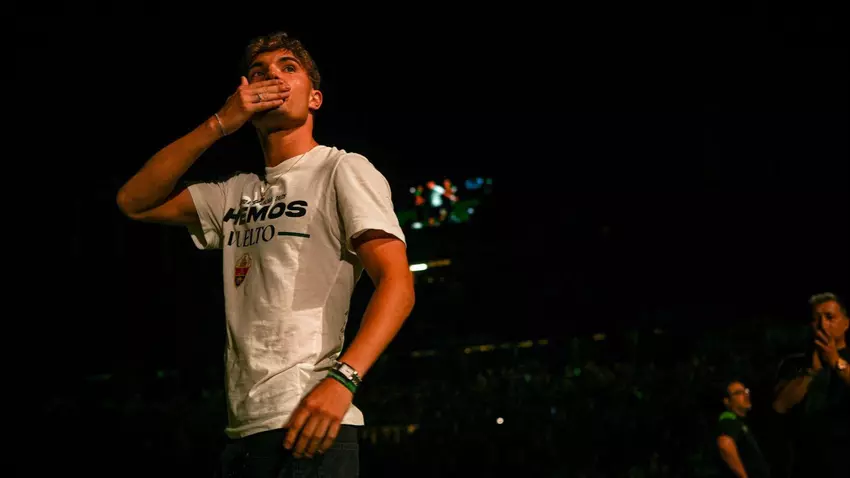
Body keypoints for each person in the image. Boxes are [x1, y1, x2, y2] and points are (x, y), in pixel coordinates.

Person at [116, 31, 415, 477]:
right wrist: (219, 123)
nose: (271, 76)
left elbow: (398, 283)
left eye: (287, 68)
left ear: (314, 98)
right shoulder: (234, 193)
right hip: (243, 432)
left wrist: (343, 380)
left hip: (312, 423)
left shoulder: (341, 168)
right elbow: (134, 201)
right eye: (258, 73)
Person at [772, 292, 849, 478]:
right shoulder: (794, 363)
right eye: (816, 319)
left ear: (846, 323)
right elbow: (779, 406)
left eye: (830, 317)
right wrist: (811, 373)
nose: (822, 325)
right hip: (804, 465)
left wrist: (835, 361)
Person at [716, 380, 771, 478]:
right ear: (727, 401)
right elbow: (724, 443)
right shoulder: (728, 418)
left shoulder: (741, 422)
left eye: (746, 391)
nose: (746, 395)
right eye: (738, 393)